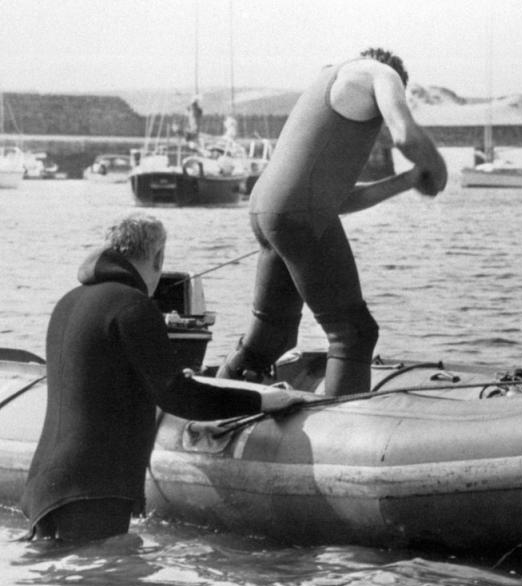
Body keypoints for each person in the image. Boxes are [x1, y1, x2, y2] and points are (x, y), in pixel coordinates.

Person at [20, 214, 303, 545]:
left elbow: (97, 379)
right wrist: (260, 400)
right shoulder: (133, 305)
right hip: (95, 487)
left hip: (45, 485)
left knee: (63, 582)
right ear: (158, 256)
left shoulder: (68, 302)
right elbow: (179, 398)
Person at [218, 47, 448, 396]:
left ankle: (213, 401)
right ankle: (344, 430)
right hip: (298, 213)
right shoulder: (382, 74)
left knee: (272, 332)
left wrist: (408, 180)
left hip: (266, 208)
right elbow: (406, 135)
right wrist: (438, 170)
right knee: (353, 333)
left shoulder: (330, 80)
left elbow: (334, 200)